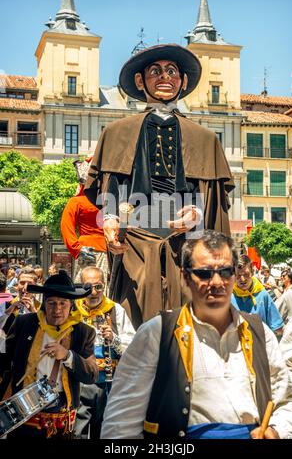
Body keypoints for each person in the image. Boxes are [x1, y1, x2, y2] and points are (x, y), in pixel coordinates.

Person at [85, 44, 234, 329]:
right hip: (136, 242)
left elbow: (213, 202)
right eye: (155, 71)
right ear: (141, 81)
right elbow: (109, 188)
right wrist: (111, 219)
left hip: (188, 245)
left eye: (171, 71)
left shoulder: (205, 139)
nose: (164, 76)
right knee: (138, 328)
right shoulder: (116, 133)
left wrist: (196, 214)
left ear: (184, 81)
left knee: (189, 327)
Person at [101, 230, 292, 440]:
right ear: (186, 277)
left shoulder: (261, 334)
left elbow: (288, 402)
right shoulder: (156, 335)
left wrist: (276, 430)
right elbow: (119, 428)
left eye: (225, 272)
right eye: (204, 273)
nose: (216, 282)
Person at [0, 270, 98, 439]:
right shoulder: (25, 323)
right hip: (24, 423)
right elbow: (3, 363)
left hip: (62, 427)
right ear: (44, 303)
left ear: (71, 305)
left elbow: (91, 375)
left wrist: (68, 356)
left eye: (63, 303)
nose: (57, 309)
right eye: (52, 303)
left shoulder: (84, 332)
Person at [74, 266, 135, 438]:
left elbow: (133, 345)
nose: (93, 292)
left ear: (104, 286)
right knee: (79, 431)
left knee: (105, 431)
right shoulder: (72, 310)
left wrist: (113, 339)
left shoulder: (115, 310)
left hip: (108, 384)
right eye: (88, 287)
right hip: (79, 382)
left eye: (98, 286)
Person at [61, 158, 108, 286]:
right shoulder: (77, 201)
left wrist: (77, 249)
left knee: (100, 289)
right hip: (90, 251)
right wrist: (77, 249)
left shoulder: (109, 200)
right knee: (92, 288)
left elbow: (66, 227)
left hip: (105, 250)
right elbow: (66, 226)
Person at [231, 255, 284, 336]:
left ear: (252, 272)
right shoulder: (229, 297)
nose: (242, 279)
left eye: (246, 274)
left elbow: (277, 327)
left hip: (260, 346)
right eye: (238, 275)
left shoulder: (263, 295)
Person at [2, 267, 41, 334]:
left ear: (35, 286)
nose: (25, 288)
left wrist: (34, 313)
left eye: (30, 284)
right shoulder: (6, 304)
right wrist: (9, 311)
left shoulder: (41, 308)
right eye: (22, 283)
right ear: (17, 284)